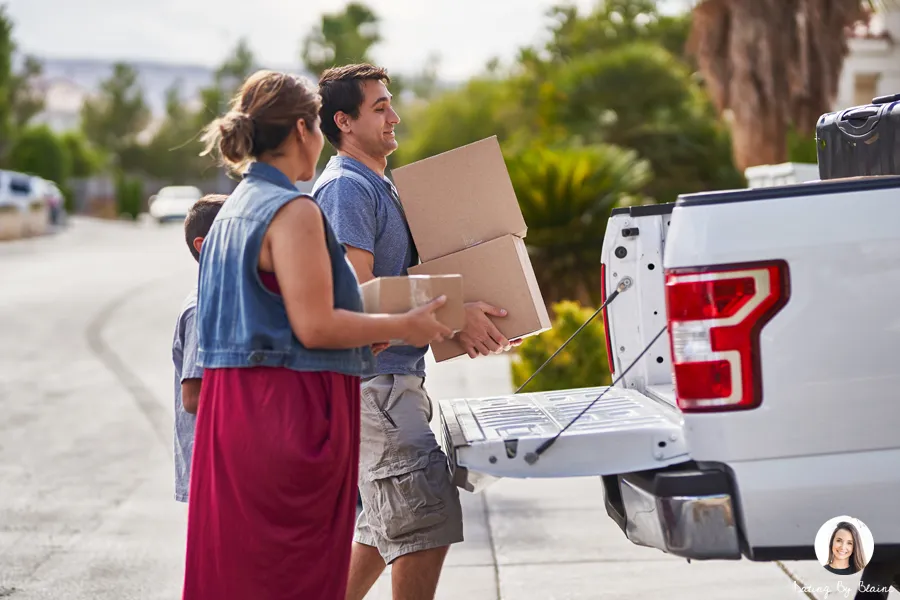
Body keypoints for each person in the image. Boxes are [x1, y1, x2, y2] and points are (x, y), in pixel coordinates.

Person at [181, 69, 452, 600]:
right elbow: (316, 323)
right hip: (289, 419)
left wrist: (365, 333)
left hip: (234, 417)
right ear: (306, 130)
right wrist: (404, 325)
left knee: (242, 576)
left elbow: (273, 323)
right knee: (295, 577)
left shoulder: (232, 209)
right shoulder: (293, 210)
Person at [313, 63, 518, 600]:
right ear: (344, 121)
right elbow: (357, 296)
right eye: (379, 107)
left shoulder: (379, 186)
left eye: (390, 103)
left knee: (386, 532)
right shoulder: (345, 190)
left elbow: (401, 281)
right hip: (373, 387)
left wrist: (481, 323)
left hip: (393, 382)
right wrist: (455, 314)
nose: (394, 116)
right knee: (424, 525)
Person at [171, 193, 226, 506]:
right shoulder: (204, 306)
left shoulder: (229, 298)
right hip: (214, 466)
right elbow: (193, 397)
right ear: (204, 246)